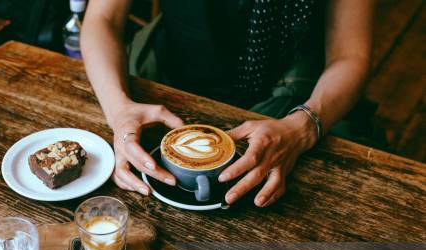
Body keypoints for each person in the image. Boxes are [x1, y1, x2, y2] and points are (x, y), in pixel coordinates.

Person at [81, 0, 374, 206]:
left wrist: (304, 127)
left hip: (299, 98)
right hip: (167, 79)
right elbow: (103, 18)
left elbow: (351, 55)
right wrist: (119, 109)